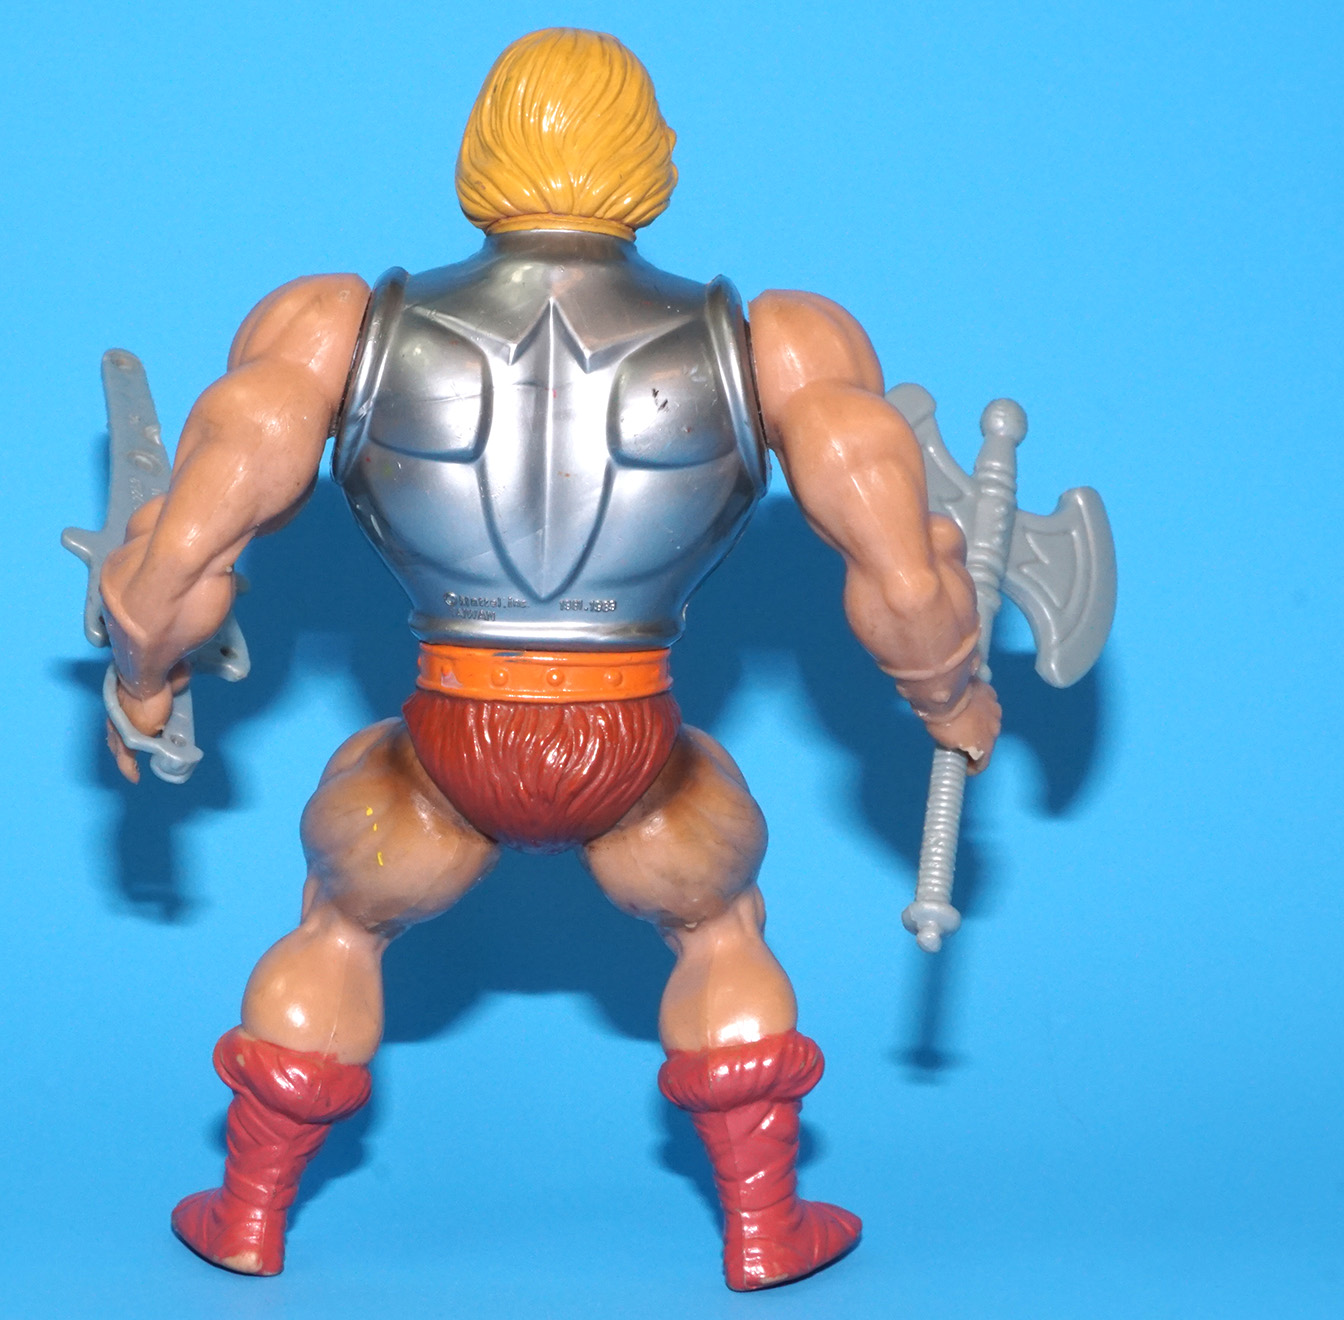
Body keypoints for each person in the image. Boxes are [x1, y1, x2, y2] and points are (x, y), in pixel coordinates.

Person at [98, 27, 1000, 1293]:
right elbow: (903, 582)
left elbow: (179, 560)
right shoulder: (778, 342)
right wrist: (951, 696)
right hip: (631, 739)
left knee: (341, 922)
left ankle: (249, 1213)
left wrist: (143, 679)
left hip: (447, 736)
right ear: (651, 160)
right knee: (719, 922)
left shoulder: (335, 325)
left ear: (479, 154)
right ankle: (763, 1226)